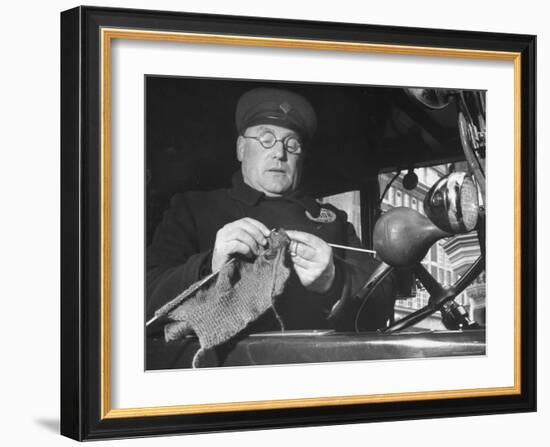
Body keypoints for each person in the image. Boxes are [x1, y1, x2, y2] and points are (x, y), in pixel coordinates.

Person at [146, 87, 397, 334]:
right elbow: (142, 299)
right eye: (266, 139)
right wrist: (207, 266)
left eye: (292, 144)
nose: (279, 153)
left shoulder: (333, 220)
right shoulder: (193, 209)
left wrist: (334, 280)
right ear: (241, 149)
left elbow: (382, 302)